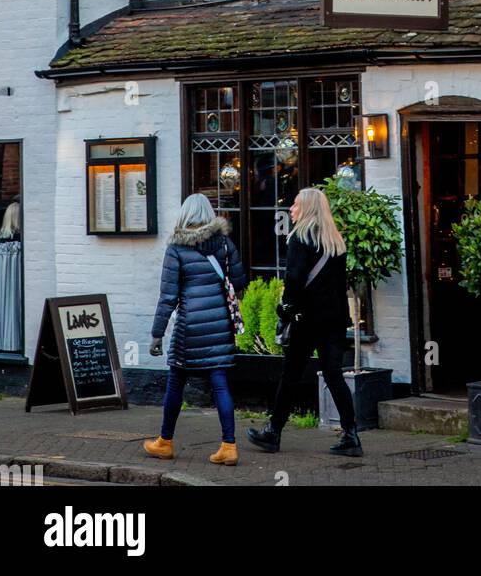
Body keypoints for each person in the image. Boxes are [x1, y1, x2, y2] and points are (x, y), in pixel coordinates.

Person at [247, 186, 362, 458]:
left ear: (307, 208)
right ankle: (351, 435)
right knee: (334, 376)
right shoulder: (335, 241)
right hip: (333, 320)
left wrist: (285, 307)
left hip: (306, 319)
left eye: (296, 204)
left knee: (290, 376)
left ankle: (273, 432)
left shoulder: (299, 237)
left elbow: (295, 279)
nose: (291, 209)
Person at [143, 193, 247, 466]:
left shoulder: (177, 248)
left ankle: (165, 442)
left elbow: (168, 296)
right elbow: (239, 280)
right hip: (220, 324)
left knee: (176, 383)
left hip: (189, 326)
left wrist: (157, 334)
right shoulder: (224, 244)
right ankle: (229, 446)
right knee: (220, 383)